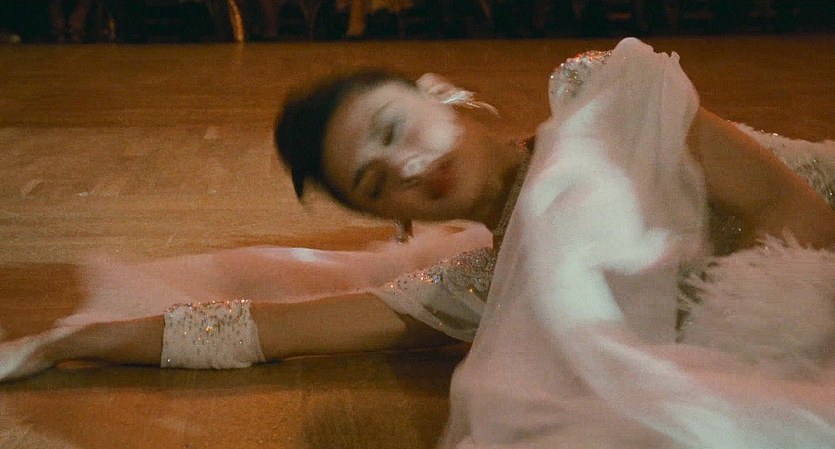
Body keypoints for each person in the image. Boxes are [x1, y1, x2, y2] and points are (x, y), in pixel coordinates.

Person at [1, 38, 834, 447]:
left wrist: (715, 361)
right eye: (376, 182)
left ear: (444, 95)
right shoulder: (479, 286)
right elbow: (269, 330)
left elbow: (790, 207)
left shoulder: (597, 99)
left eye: (394, 126)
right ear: (394, 218)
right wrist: (69, 342)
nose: (405, 165)